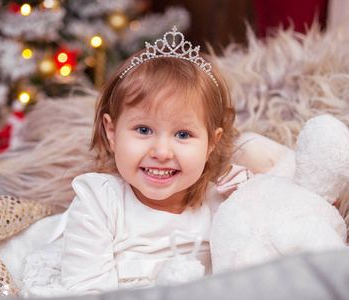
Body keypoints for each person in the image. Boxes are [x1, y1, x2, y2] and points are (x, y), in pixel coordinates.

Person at [60, 27, 243, 293]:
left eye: (183, 134)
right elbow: (85, 289)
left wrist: (250, 199)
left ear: (211, 143)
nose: (161, 152)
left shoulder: (221, 201)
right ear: (112, 133)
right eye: (144, 130)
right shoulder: (100, 202)